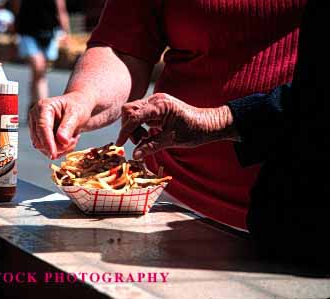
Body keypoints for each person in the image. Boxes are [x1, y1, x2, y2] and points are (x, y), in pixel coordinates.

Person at [29, 0, 307, 230]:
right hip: (168, 200)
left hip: (295, 215)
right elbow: (124, 47)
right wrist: (83, 98)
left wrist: (220, 120)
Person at [116, 0, 328, 265]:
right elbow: (122, 42)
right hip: (174, 195)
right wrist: (83, 97)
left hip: (303, 225)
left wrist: (221, 119)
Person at [14, 0, 70, 111]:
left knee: (40, 74)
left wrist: (66, 32)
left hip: (49, 32)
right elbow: (17, 6)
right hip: (27, 32)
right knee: (38, 67)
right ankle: (42, 108)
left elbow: (61, 10)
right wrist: (15, 28)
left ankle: (34, 104)